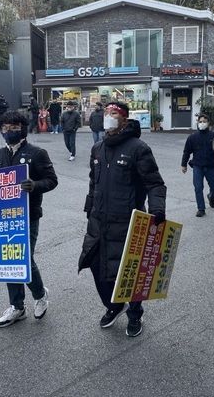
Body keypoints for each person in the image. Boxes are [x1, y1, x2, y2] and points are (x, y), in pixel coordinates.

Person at [79, 102, 166, 338]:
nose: (108, 116)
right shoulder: (97, 148)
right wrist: (90, 206)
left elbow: (155, 183)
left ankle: (135, 314)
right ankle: (114, 305)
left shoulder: (138, 148)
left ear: (125, 119)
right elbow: (93, 181)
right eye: (106, 113)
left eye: (114, 113)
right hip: (98, 221)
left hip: (127, 222)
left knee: (130, 273)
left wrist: (157, 209)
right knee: (97, 267)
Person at [0, 110, 58, 328]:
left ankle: (40, 296)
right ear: (0, 130)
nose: (9, 131)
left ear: (23, 128)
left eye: (14, 127)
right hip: (2, 218)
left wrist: (35, 185)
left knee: (24, 258)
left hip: (28, 216)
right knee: (8, 260)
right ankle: (17, 307)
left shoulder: (37, 153)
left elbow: (52, 180)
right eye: (5, 128)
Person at [181, 114, 214, 217]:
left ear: (208, 123)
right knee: (198, 187)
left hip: (211, 166)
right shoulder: (192, 137)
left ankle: (211, 196)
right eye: (200, 121)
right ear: (197, 123)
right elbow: (186, 152)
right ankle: (201, 209)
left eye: (204, 121)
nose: (202, 123)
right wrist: (183, 165)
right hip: (198, 166)